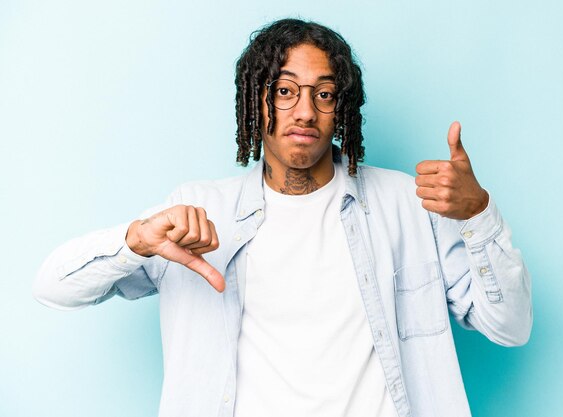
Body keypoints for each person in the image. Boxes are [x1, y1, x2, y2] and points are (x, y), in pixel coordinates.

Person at [33, 18, 532, 417]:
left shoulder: (410, 204)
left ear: (343, 109)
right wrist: (134, 241)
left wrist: (478, 214)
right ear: (256, 101)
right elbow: (52, 288)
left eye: (324, 93)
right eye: (285, 91)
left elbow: (510, 327)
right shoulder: (197, 212)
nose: (305, 112)